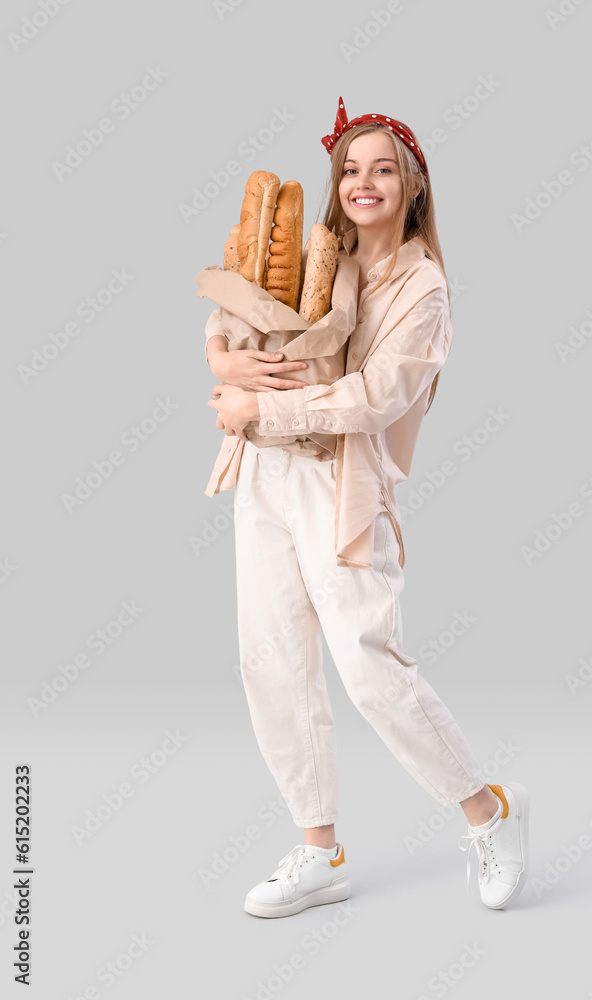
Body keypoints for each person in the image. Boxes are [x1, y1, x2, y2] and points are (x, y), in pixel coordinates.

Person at [204, 96, 530, 918]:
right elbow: (237, 314)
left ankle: (488, 811)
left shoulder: (422, 289)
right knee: (269, 659)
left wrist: (262, 408)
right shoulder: (319, 254)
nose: (363, 182)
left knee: (367, 667)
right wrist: (223, 363)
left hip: (343, 486)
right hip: (265, 474)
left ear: (413, 186)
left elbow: (373, 398)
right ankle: (320, 850)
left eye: (383, 168)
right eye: (350, 168)